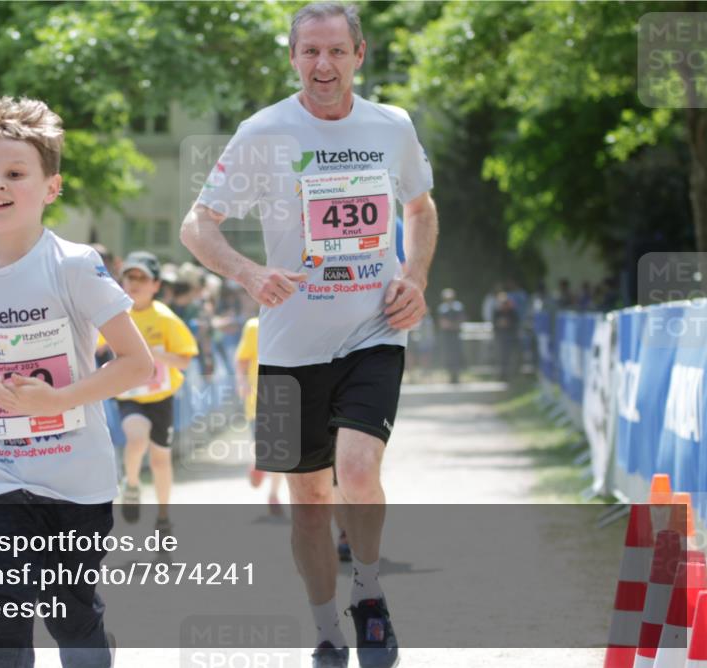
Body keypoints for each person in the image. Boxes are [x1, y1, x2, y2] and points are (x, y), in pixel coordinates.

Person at [179, 4, 437, 667]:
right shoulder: (263, 133)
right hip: (288, 345)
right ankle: (326, 629)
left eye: (336, 51)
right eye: (309, 52)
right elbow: (197, 226)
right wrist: (247, 271)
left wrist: (415, 277)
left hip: (374, 330)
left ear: (360, 53)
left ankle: (370, 597)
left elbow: (421, 206)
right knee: (308, 500)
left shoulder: (391, 127)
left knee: (356, 468)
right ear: (293, 57)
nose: (323, 65)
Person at [0, 96, 153, 668]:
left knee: (71, 617)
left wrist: (59, 399)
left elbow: (137, 364)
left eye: (16, 174)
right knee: (1, 625)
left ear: (51, 187)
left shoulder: (72, 264)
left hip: (73, 480)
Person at [113, 251, 199, 531]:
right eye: (130, 276)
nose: (135, 283)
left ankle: (163, 517)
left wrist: (154, 355)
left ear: (156, 285)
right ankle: (132, 484)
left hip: (161, 396)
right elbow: (94, 346)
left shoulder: (165, 318)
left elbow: (185, 359)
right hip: (129, 396)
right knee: (137, 439)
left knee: (161, 460)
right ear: (121, 281)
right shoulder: (116, 316)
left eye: (143, 277)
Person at [236, 311, 285, 513]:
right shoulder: (254, 327)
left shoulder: (296, 326)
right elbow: (242, 360)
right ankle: (259, 460)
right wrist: (241, 382)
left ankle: (273, 494)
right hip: (258, 399)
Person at [436, 288, 464, 384]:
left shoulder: (458, 307)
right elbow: (442, 323)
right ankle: (451, 376)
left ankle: (456, 376)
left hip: (456, 335)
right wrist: (452, 325)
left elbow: (460, 321)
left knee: (456, 355)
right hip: (447, 336)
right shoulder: (442, 308)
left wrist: (451, 325)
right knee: (448, 356)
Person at [492, 291, 520, 381]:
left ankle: (512, 375)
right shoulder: (497, 312)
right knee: (501, 357)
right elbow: (494, 324)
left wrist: (507, 323)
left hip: (511, 338)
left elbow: (516, 324)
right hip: (500, 338)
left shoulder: (512, 312)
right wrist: (500, 324)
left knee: (511, 357)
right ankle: (501, 375)